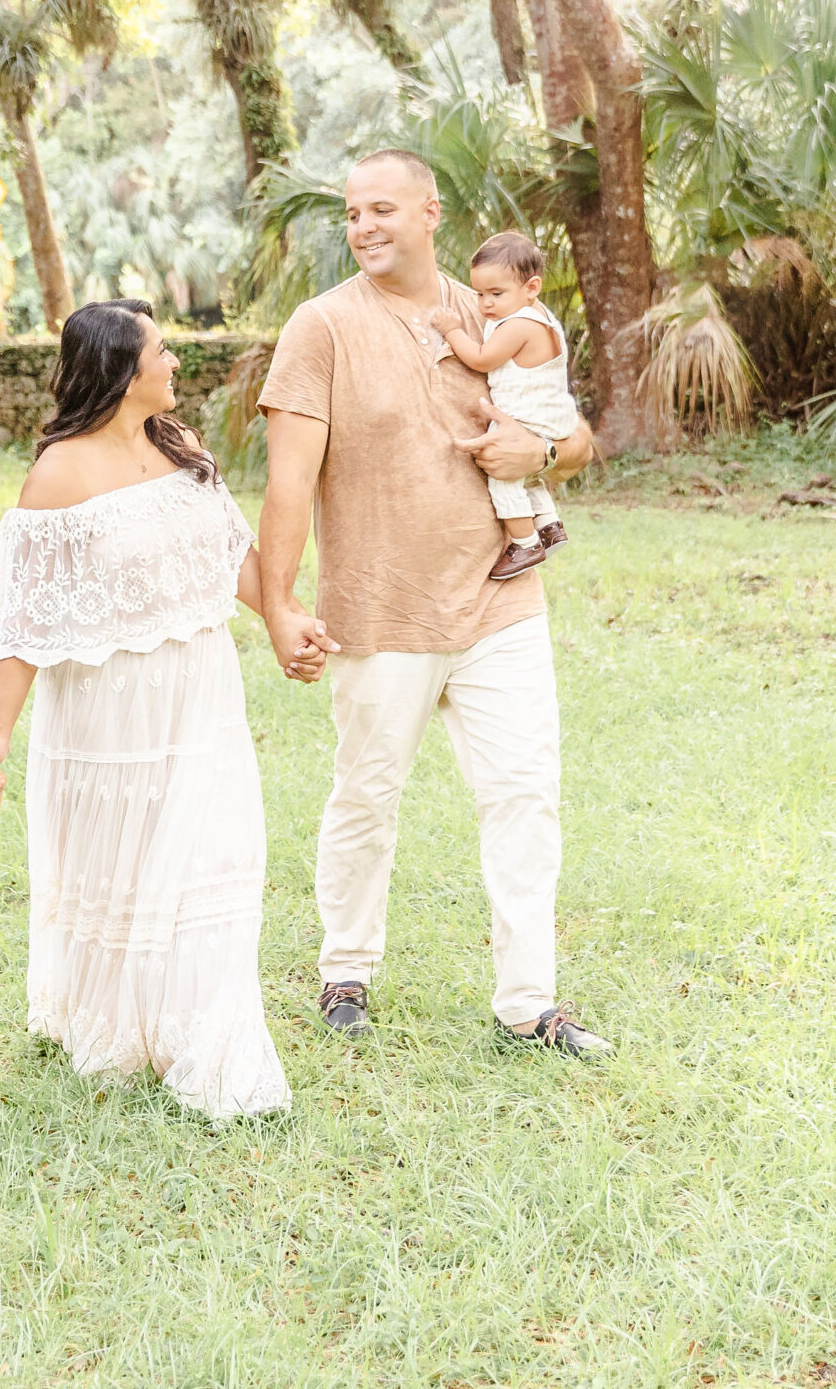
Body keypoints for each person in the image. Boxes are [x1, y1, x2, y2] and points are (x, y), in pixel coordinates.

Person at [255, 149, 613, 1058]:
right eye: (351, 212)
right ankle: (347, 970)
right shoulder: (321, 326)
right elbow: (289, 481)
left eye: (382, 208)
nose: (364, 225)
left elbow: (575, 435)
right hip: (381, 608)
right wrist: (278, 601)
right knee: (368, 795)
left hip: (501, 600)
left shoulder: (496, 310)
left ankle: (530, 1005)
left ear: (429, 212)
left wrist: (543, 458)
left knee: (525, 796)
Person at [0, 299, 302, 1120]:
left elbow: (235, 557)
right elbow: (25, 620)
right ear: (122, 370)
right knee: (122, 864)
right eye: (162, 351)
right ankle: (122, 1024)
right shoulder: (58, 474)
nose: (176, 362)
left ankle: (209, 1037)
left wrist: (287, 621)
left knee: (212, 855)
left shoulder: (181, 448)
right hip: (106, 712)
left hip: (199, 692)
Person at [427, 231, 578, 580]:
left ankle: (525, 543)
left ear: (532, 287)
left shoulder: (520, 324)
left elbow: (481, 359)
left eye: (497, 294)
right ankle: (549, 526)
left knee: (503, 477)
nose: (486, 304)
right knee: (527, 477)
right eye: (480, 294)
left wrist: (452, 331)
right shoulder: (540, 315)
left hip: (527, 415)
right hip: (549, 414)